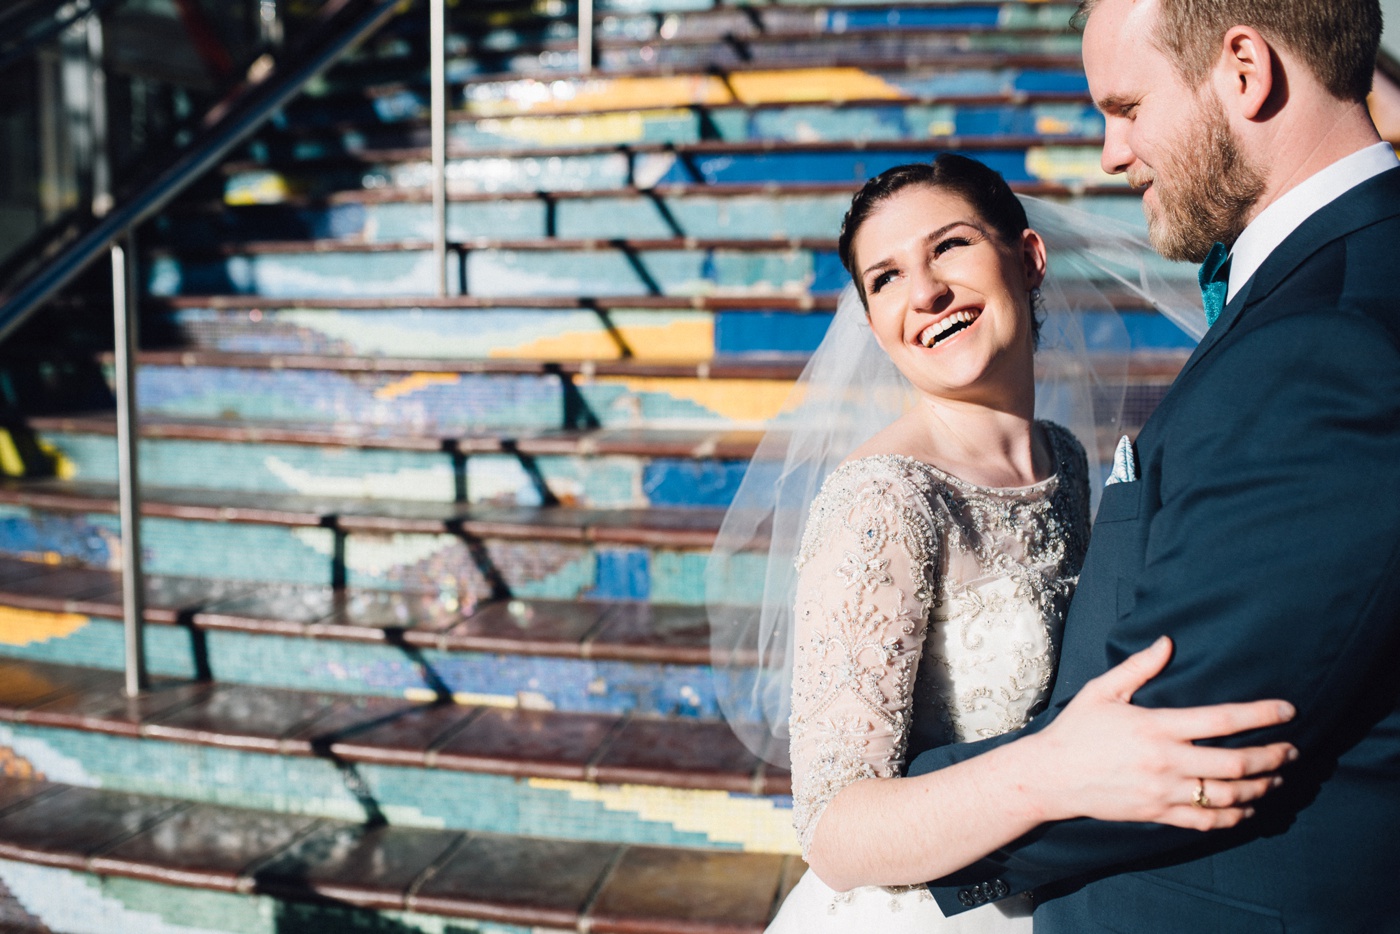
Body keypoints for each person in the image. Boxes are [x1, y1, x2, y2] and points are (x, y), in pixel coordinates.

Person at [901, 1, 1400, 931]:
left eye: (1127, 106)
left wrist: (898, 815)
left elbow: (1189, 736)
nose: (1110, 153)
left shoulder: (1329, 340)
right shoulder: (1338, 282)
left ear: (1245, 71)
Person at [707, 154, 1297, 933]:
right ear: (874, 325)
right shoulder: (886, 499)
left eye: (948, 246)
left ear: (1027, 257)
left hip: (1056, 885)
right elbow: (834, 833)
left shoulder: (1062, 455)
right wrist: (1057, 774)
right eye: (884, 279)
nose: (924, 293)